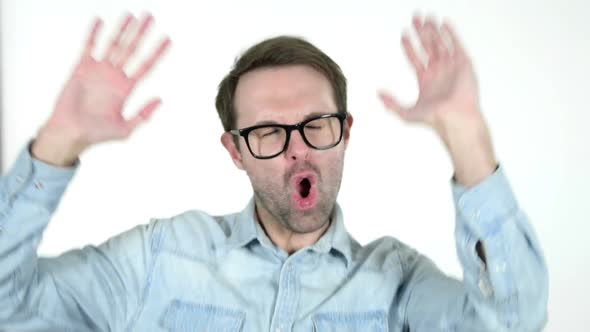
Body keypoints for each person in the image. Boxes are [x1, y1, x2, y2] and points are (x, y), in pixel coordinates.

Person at [0, 12, 548, 332]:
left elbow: (515, 322)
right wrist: (57, 144)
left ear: (346, 133)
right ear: (235, 151)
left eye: (316, 124)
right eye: (268, 132)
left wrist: (467, 138)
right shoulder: (158, 257)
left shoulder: (397, 283)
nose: (297, 152)